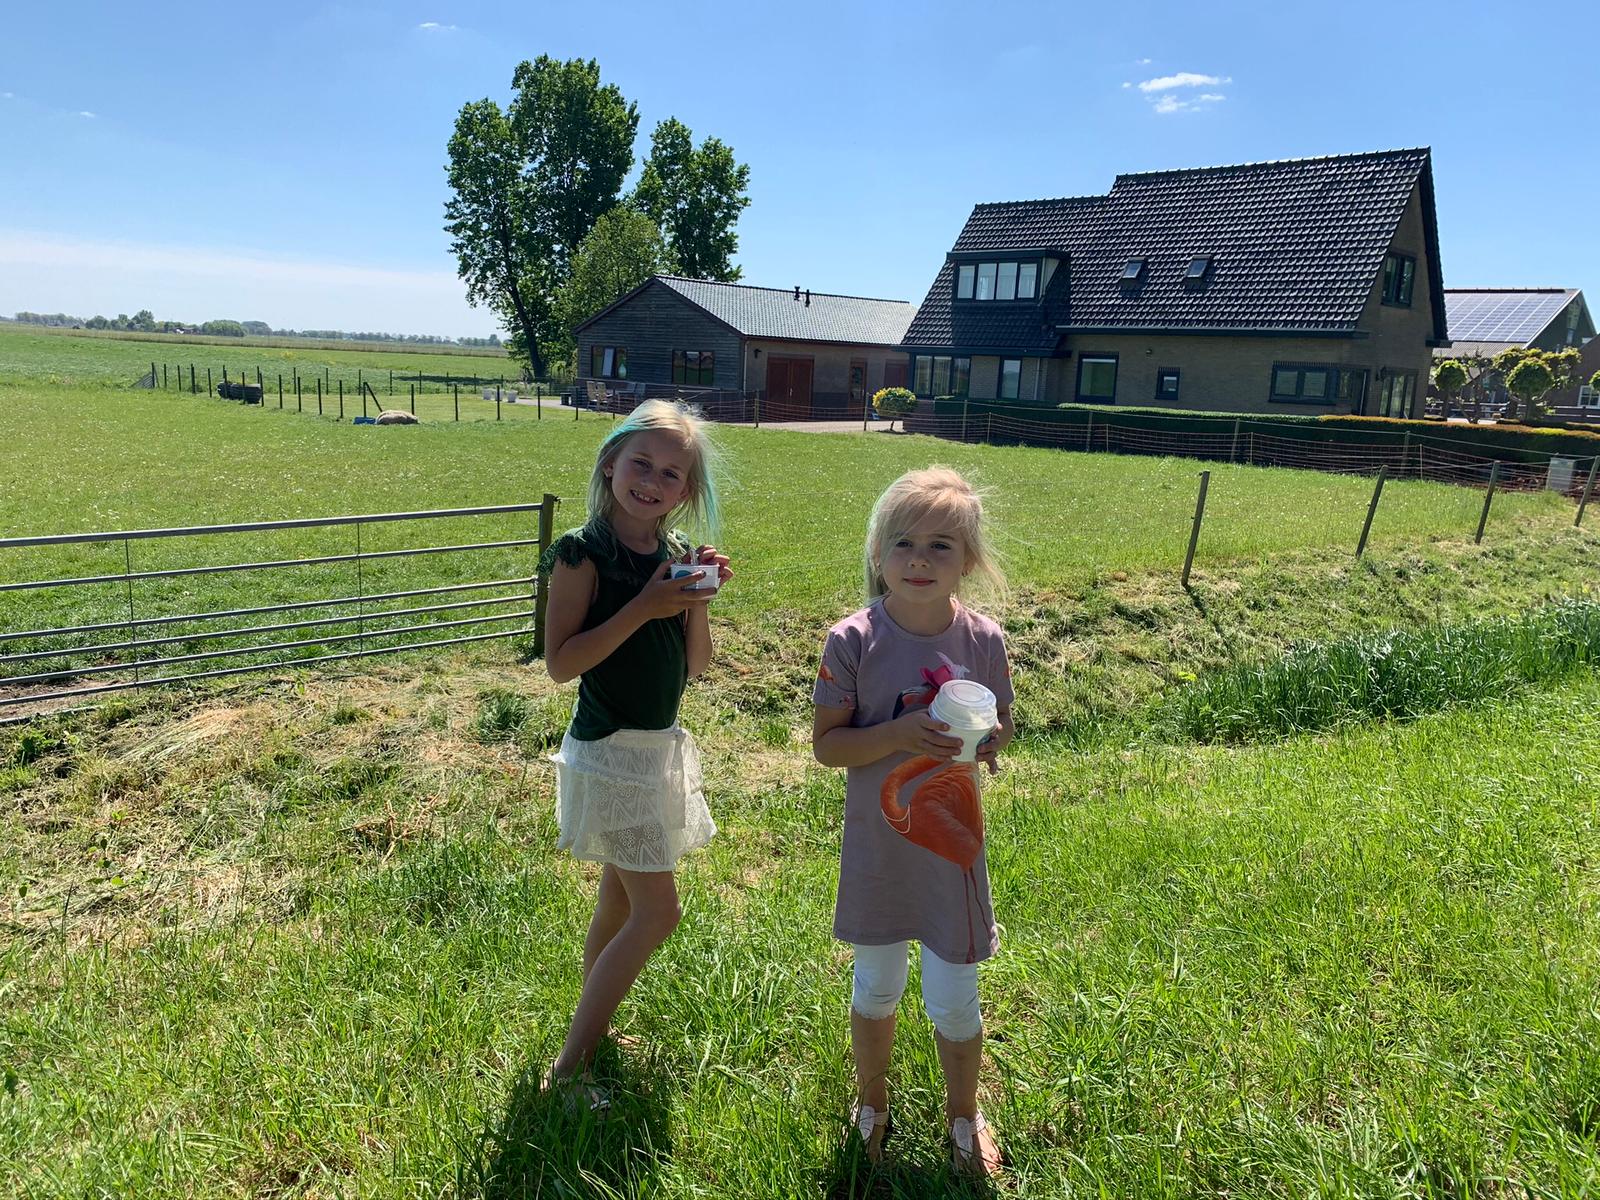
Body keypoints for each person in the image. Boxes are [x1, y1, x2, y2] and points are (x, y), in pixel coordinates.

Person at [811, 466, 1014, 1176]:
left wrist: (990, 742)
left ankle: (964, 1113)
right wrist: (898, 734)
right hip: (881, 849)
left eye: (940, 546)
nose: (919, 560)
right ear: (878, 552)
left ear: (969, 561)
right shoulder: (852, 641)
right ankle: (872, 1104)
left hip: (950, 851)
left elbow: (1001, 722)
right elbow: (827, 746)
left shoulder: (983, 640)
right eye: (903, 542)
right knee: (876, 987)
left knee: (956, 997)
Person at [539, 400, 732, 1113]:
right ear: (609, 465)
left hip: (655, 751)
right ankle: (568, 1069)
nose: (652, 482)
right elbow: (561, 664)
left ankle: (595, 1027)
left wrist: (696, 599)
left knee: (619, 901)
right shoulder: (581, 553)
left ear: (687, 490)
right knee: (658, 913)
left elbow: (697, 667)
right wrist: (645, 606)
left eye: (671, 474)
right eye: (640, 464)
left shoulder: (673, 555)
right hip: (608, 754)